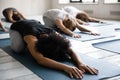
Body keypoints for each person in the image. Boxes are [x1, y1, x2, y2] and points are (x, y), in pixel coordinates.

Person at [10, 19, 98, 79]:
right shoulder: (31, 37)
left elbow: (70, 50)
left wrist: (81, 63)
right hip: (16, 26)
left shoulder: (55, 33)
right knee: (19, 49)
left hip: (35, 22)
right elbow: (40, 59)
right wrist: (66, 67)